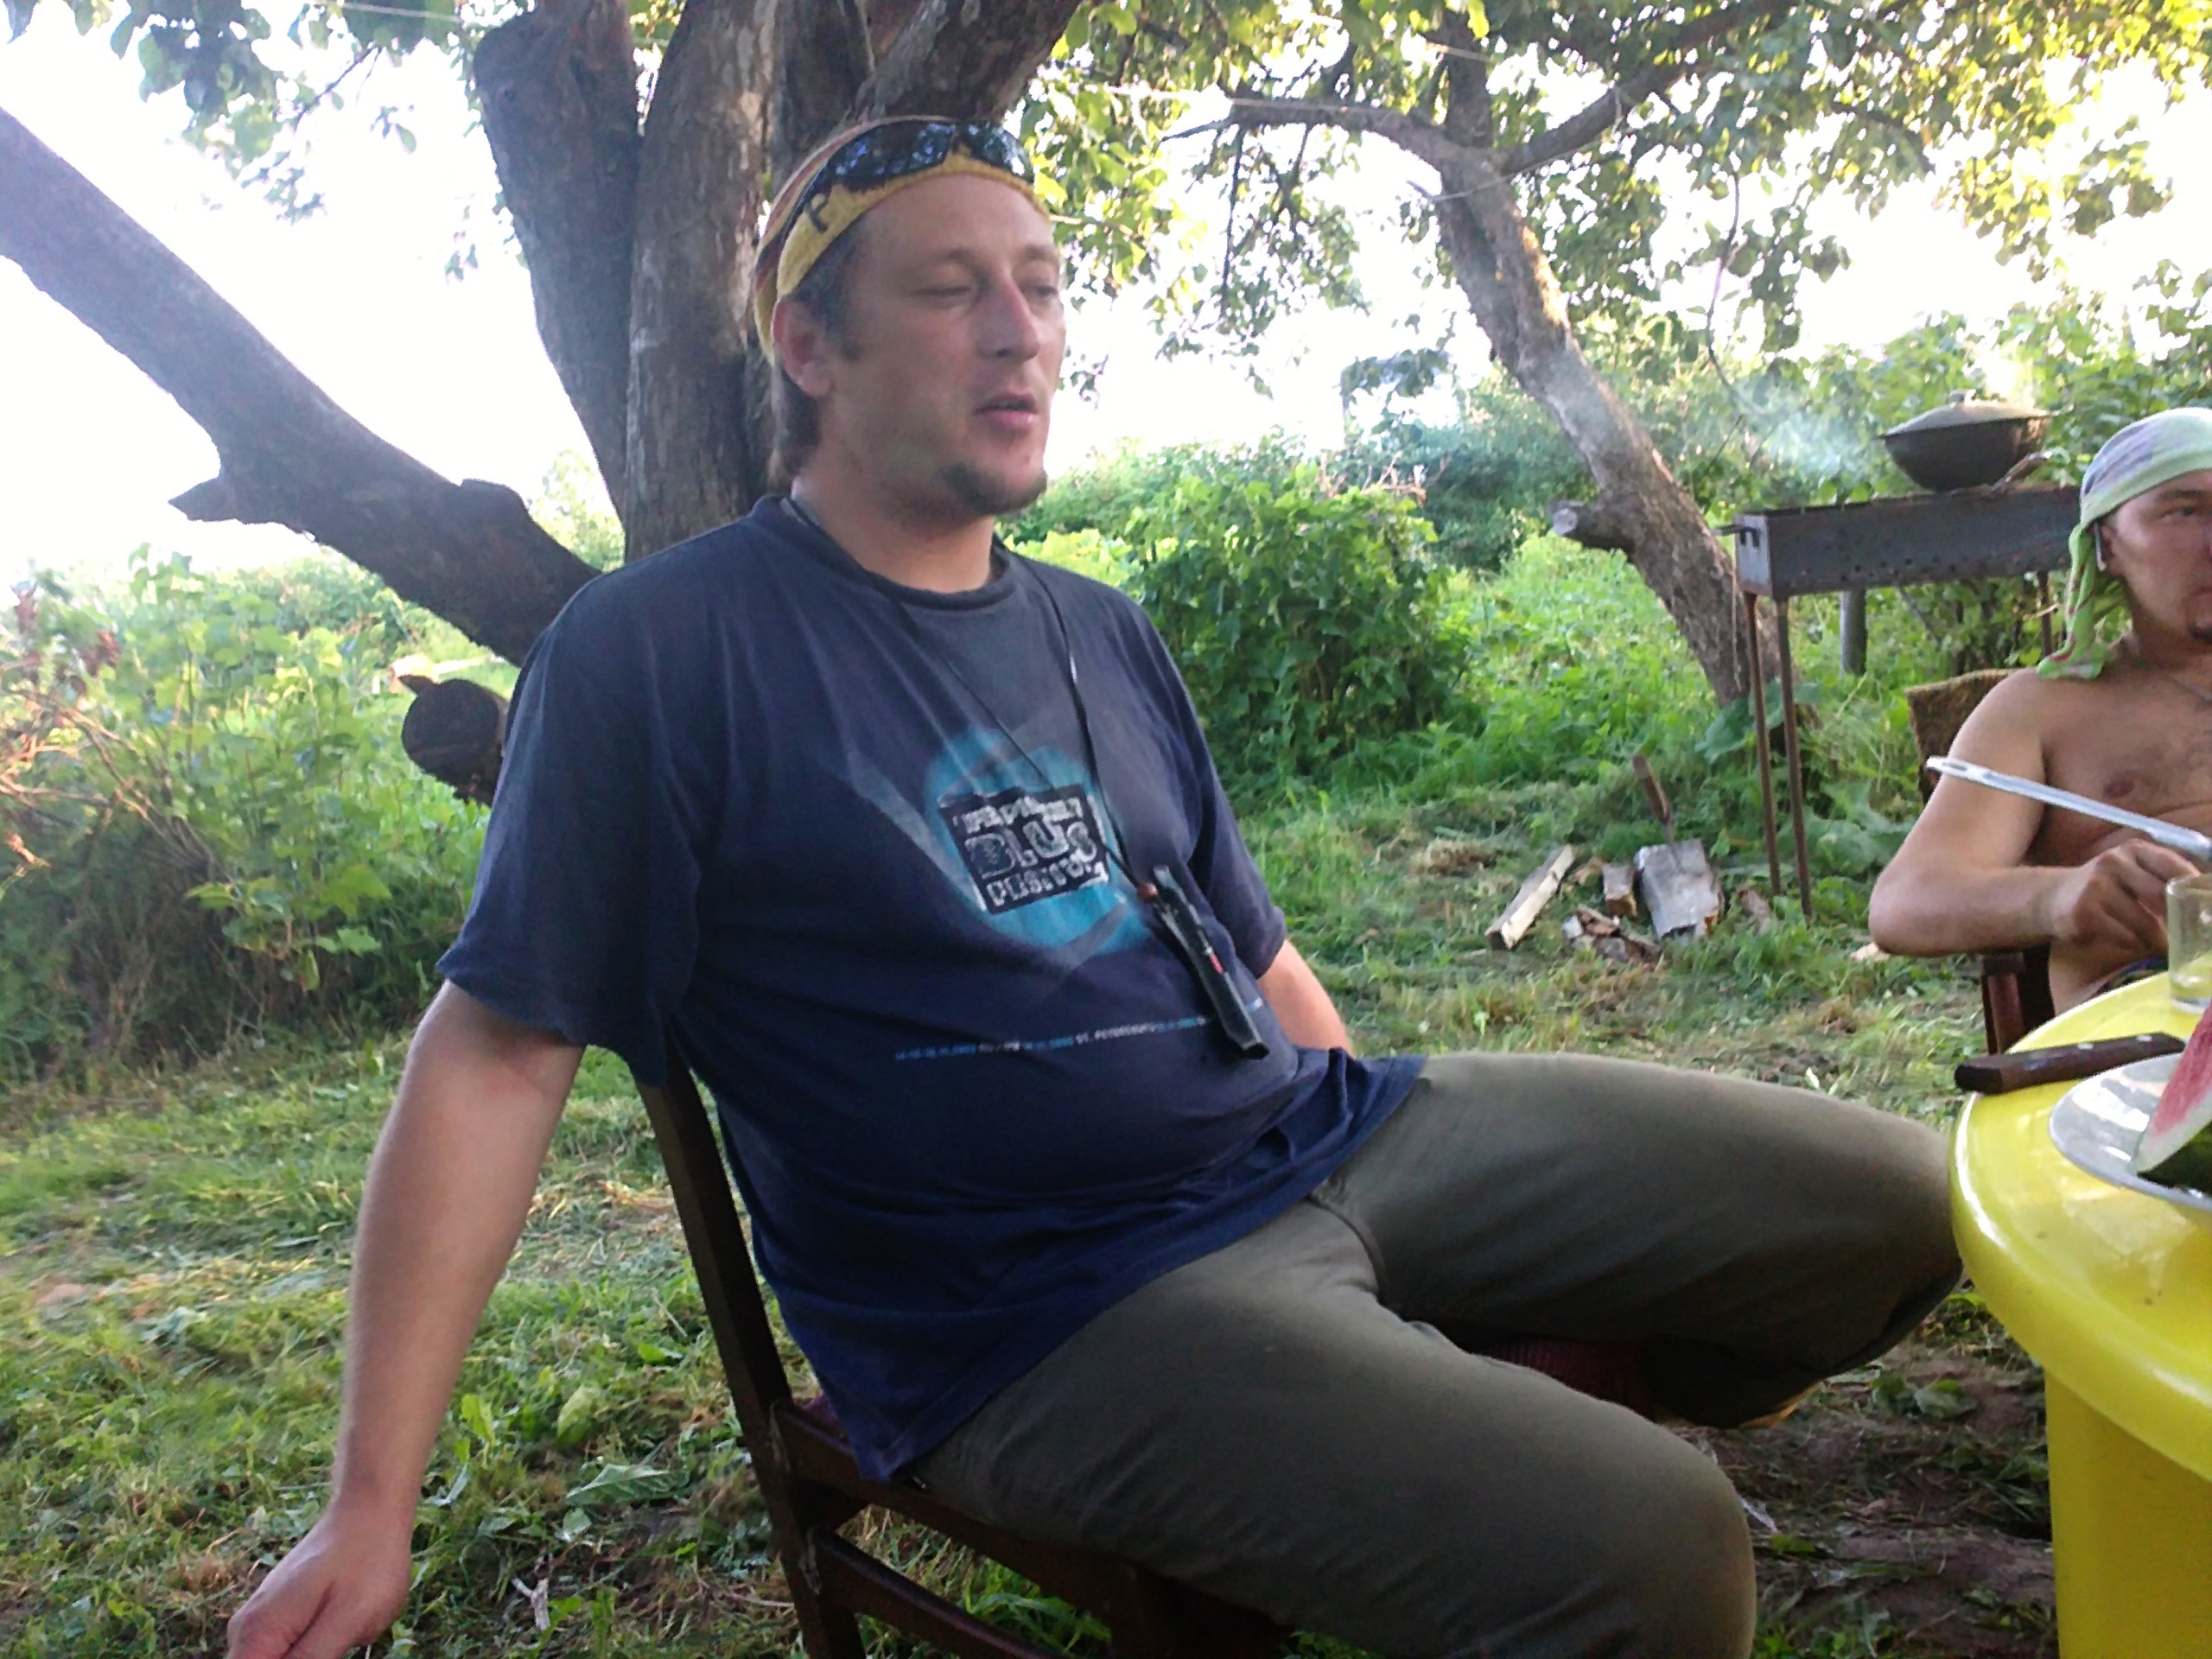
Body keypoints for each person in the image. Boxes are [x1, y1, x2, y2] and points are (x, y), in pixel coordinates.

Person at [227, 118, 1958, 1659]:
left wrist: (1422, 1246)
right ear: (806, 344)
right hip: (1043, 1307)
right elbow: (496, 1056)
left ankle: (1528, 1394)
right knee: (1656, 1553)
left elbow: (1254, 954)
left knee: (1901, 1212)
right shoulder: (656, 653)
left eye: (1042, 288)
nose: (1021, 331)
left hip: (1321, 1137)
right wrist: (371, 1506)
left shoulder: (1095, 627)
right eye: (950, 289)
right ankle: (1514, 1478)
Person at [1871, 408, 2212, 1009]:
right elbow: (1904, 903)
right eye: (2184, 512)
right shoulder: (2043, 710)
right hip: (2146, 1030)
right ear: (2107, 546)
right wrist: (2057, 897)